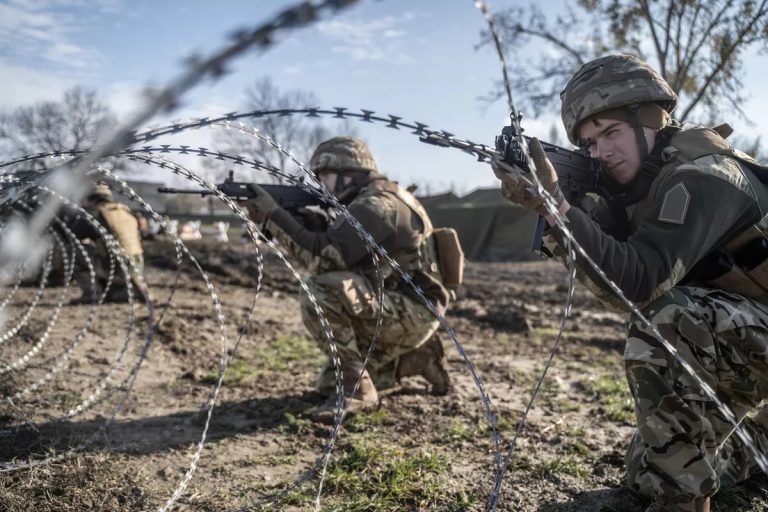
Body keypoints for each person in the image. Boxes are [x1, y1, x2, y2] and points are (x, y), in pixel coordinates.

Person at [491, 54, 768, 512]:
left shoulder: (704, 176)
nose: (600, 152)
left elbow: (642, 283)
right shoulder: (644, 189)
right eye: (588, 143)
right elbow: (619, 287)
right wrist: (563, 214)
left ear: (654, 119)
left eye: (611, 133)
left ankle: (686, 504)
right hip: (744, 336)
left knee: (668, 319)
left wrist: (559, 208)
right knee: (650, 468)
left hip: (746, 333)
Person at [242, 136, 457, 417]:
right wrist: (301, 222)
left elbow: (322, 260)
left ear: (348, 173)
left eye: (325, 175)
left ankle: (358, 392)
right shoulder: (379, 197)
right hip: (405, 305)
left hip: (412, 310)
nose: (321, 184)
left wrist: (276, 217)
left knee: (319, 289)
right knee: (329, 383)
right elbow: (342, 249)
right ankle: (415, 359)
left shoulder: (377, 206)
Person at [69, 182, 148, 304]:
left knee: (76, 248)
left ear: (91, 199)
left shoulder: (96, 214)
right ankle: (120, 291)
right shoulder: (125, 211)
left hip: (115, 266)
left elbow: (74, 233)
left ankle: (93, 292)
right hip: (137, 266)